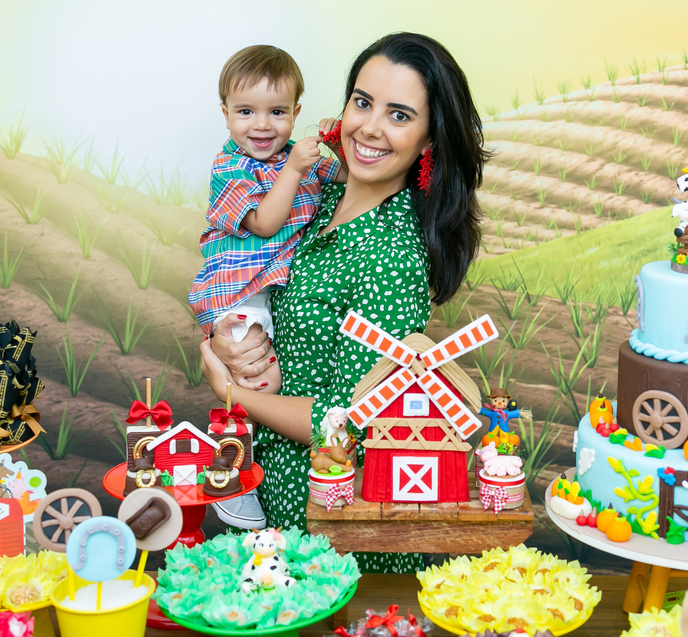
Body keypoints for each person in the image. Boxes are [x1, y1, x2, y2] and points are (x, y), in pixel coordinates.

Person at [199, 32, 487, 572]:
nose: (370, 127)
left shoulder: (392, 256)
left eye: (399, 115)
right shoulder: (315, 193)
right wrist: (224, 338)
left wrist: (230, 390)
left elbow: (353, 419)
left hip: (334, 531)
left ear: (429, 139)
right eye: (362, 102)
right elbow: (240, 266)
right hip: (276, 505)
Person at [188, 44, 346, 529]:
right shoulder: (231, 166)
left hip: (268, 288)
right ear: (225, 115)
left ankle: (240, 466)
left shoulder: (298, 158)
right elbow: (264, 222)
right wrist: (296, 169)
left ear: (295, 113)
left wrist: (336, 146)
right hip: (236, 292)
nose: (261, 125)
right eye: (245, 112)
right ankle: (230, 477)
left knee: (267, 376)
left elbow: (340, 178)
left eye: (277, 112)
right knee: (261, 383)